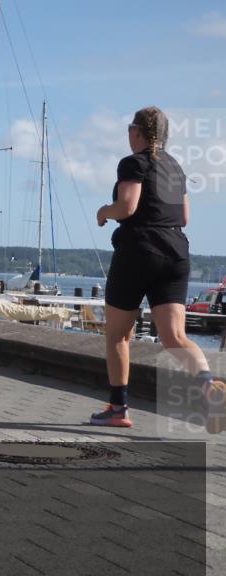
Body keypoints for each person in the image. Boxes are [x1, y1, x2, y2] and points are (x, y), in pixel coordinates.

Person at [94, 106, 225, 431]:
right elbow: (183, 217)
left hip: (139, 251)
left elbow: (128, 206)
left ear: (137, 132)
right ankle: (210, 388)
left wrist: (104, 211)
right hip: (176, 252)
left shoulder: (133, 162)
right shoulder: (174, 167)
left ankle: (118, 408)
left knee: (117, 335)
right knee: (175, 336)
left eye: (129, 128)